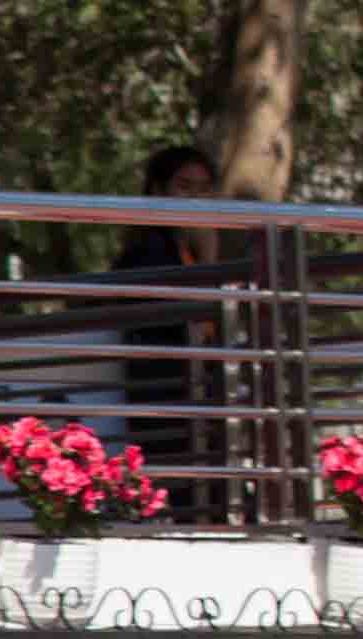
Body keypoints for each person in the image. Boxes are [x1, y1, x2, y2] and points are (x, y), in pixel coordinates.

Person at [112, 143, 228, 525]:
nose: (195, 199)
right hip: (167, 407)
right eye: (184, 186)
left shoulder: (185, 249)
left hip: (195, 405)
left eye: (204, 188)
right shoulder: (150, 252)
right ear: (159, 192)